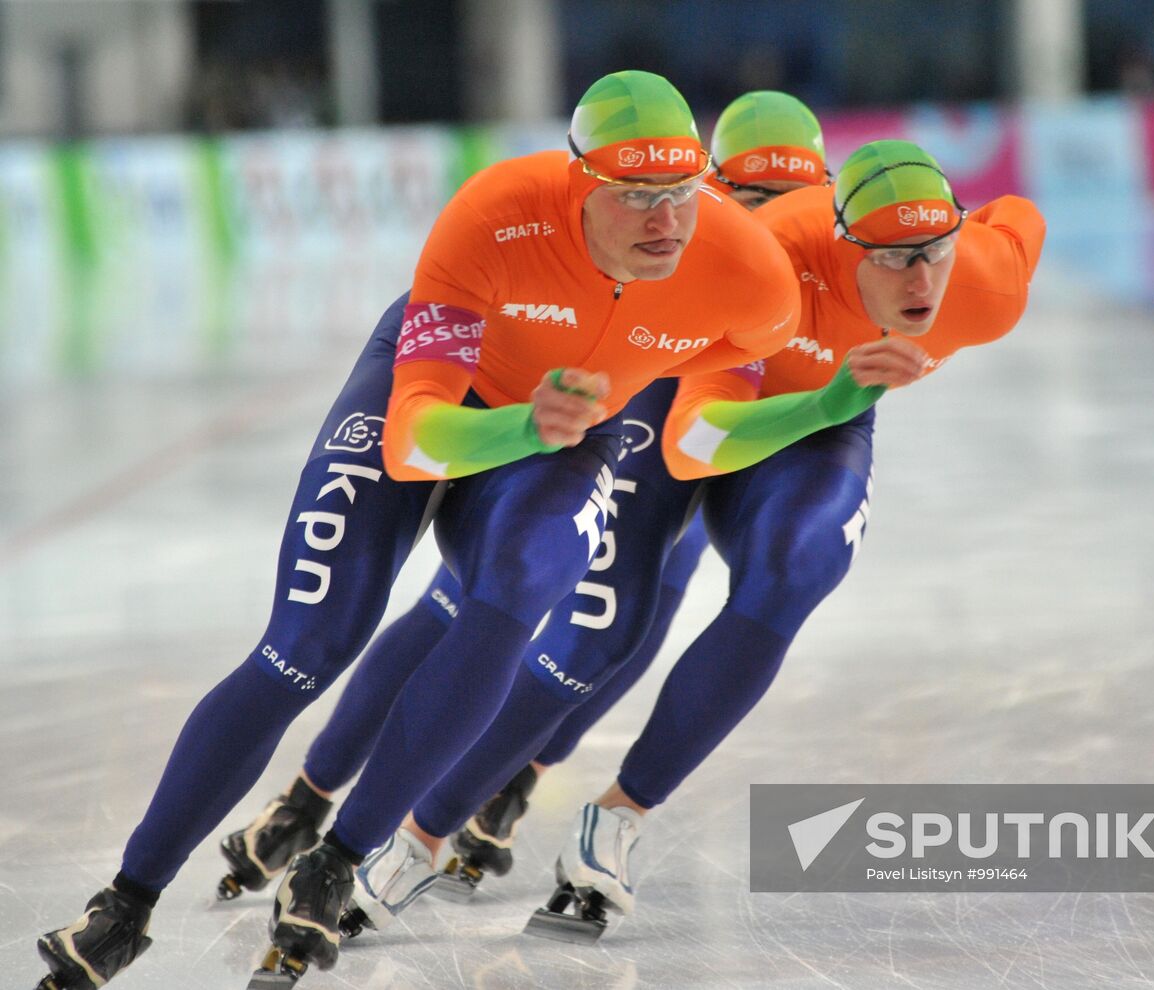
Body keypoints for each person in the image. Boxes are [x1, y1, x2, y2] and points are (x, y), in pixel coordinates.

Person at [33, 70, 800, 990]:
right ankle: (126, 904)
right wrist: (528, 422)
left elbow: (724, 381)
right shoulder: (497, 213)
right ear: (577, 184)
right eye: (635, 197)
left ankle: (338, 859)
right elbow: (410, 443)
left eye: (680, 193)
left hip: (564, 431)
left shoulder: (748, 273)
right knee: (309, 644)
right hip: (448, 400)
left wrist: (612, 400)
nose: (665, 222)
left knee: (524, 581)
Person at [347, 138, 1046, 944]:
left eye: (934, 253)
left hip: (824, 412)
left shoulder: (986, 286)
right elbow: (693, 444)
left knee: (802, 564)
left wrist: (833, 402)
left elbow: (1018, 218)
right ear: (845, 242)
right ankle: (420, 837)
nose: (921, 281)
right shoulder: (779, 262)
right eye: (891, 259)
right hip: (689, 393)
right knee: (601, 626)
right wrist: (825, 403)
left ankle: (619, 817)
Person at [213, 89, 833, 910]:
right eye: (752, 200)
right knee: (474, 599)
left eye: (792, 204)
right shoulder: (677, 232)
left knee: (637, 613)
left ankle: (512, 780)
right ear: (715, 189)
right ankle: (316, 794)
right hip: (639, 404)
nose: (773, 225)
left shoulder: (833, 261)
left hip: (728, 418)